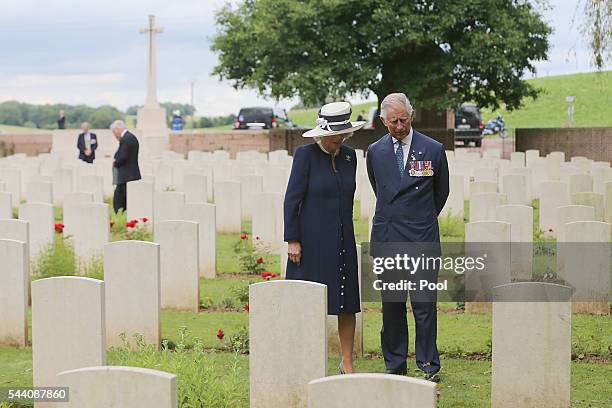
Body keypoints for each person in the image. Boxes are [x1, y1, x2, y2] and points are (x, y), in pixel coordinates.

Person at [366, 93, 449, 381]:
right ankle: (395, 361)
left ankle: (428, 364)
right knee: (392, 304)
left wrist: (421, 218)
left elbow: (441, 193)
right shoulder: (374, 152)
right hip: (388, 238)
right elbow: (381, 190)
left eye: (403, 120)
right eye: (393, 122)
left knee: (424, 305)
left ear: (411, 116)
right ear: (382, 121)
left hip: (421, 237)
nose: (399, 126)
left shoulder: (433, 149)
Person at [284, 101, 366, 374]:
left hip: (342, 239)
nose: (339, 140)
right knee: (307, 301)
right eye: (334, 136)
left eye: (343, 135)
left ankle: (347, 363)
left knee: (347, 302)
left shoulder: (349, 157)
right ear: (322, 133)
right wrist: (292, 239)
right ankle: (303, 358)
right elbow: (292, 199)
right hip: (310, 242)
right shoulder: (305, 155)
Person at [110, 120, 141, 213]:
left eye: (114, 133)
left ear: (118, 129)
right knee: (126, 200)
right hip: (132, 174)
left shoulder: (125, 138)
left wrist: (115, 162)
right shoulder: (131, 137)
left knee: (119, 201)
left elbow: (123, 156)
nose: (115, 136)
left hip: (126, 175)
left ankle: (119, 216)